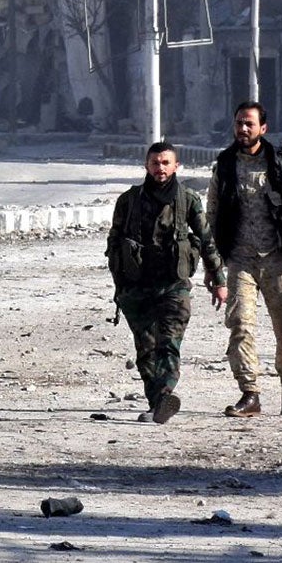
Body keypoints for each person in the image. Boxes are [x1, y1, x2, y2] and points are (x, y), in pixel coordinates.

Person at [205, 101, 282, 417]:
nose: (243, 129)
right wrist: (212, 268)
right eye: (239, 123)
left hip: (280, 259)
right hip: (240, 260)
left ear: (262, 128)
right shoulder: (224, 166)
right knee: (240, 325)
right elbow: (211, 216)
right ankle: (250, 394)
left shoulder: (281, 164)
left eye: (249, 124)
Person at [106, 140, 223, 424]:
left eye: (166, 163)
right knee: (145, 349)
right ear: (147, 165)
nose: (160, 168)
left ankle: (166, 392)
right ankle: (158, 402)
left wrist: (218, 279)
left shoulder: (188, 200)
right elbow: (114, 243)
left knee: (168, 342)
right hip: (137, 287)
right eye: (155, 163)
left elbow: (207, 241)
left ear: (176, 166)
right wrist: (119, 287)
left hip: (175, 285)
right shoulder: (129, 201)